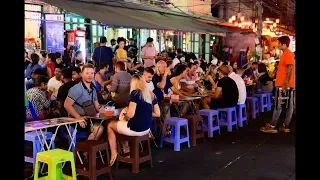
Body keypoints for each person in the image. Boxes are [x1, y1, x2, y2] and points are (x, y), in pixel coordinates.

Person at [107, 74, 160, 166]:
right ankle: (126, 149)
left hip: (135, 128)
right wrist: (144, 112)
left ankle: (114, 153)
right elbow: (158, 114)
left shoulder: (135, 93)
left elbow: (131, 115)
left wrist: (126, 113)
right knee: (119, 128)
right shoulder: (151, 94)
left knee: (110, 125)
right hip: (146, 129)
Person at [260, 36, 295, 133]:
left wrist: (285, 83)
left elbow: (290, 68)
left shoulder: (288, 53)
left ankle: (273, 125)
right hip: (286, 84)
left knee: (278, 105)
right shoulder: (285, 54)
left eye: (279, 43)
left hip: (284, 84)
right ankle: (285, 125)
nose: (277, 45)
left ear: (284, 44)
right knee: (289, 105)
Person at [64, 64, 104, 140]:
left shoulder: (93, 89)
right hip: (76, 119)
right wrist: (79, 118)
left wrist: (106, 111)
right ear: (82, 74)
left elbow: (97, 106)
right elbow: (67, 105)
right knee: (99, 129)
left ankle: (94, 149)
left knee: (107, 124)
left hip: (90, 117)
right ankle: (87, 151)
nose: (90, 75)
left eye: (92, 73)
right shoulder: (76, 89)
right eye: (87, 73)